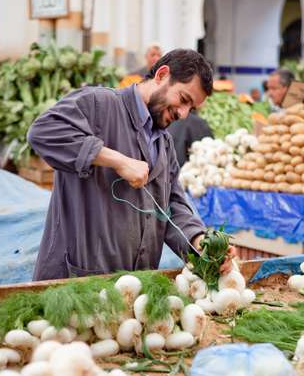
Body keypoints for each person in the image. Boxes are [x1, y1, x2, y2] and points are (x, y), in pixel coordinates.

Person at [27, 49, 234, 280]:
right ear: (162, 75)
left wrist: (199, 241)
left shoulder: (164, 143)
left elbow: (173, 206)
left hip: (134, 292)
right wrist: (117, 160)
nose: (184, 114)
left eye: (191, 108)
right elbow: (42, 132)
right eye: (183, 99)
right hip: (76, 286)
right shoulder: (99, 104)